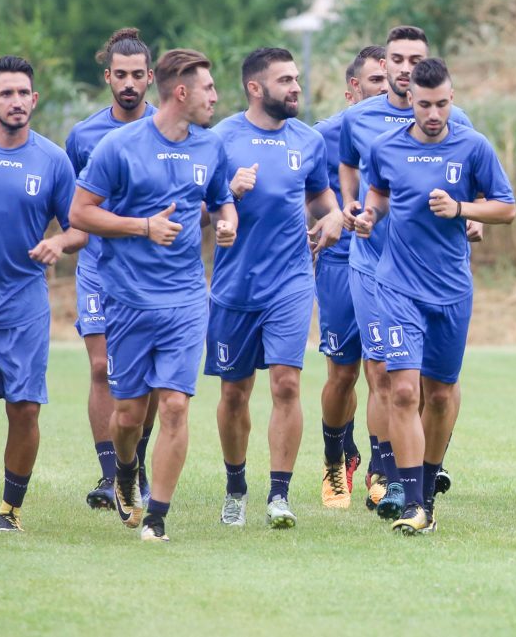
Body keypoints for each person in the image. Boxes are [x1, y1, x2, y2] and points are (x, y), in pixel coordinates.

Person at [69, 48, 237, 542]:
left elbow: (222, 201)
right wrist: (142, 226)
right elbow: (80, 213)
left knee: (176, 406)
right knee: (128, 415)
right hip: (128, 299)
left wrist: (226, 223)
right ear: (181, 92)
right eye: (208, 88)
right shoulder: (119, 146)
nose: (215, 97)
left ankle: (157, 516)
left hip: (186, 298)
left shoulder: (211, 146)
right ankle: (125, 471)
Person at [354, 58, 516, 534]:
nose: (433, 114)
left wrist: (462, 208)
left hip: (450, 290)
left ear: (451, 99)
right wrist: (368, 216)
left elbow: (506, 208)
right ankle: (412, 503)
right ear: (410, 100)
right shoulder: (386, 147)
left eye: (442, 104)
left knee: (441, 395)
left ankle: (425, 491)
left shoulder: (473, 147)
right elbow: (379, 195)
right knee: (404, 390)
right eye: (425, 105)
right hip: (397, 286)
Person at [338, 25, 475, 519]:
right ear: (386, 62)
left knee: (434, 386)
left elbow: (483, 192)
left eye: (415, 60)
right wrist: (352, 207)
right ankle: (389, 476)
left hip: (437, 274)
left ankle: (422, 469)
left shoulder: (459, 125)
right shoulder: (359, 120)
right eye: (397, 59)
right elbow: (350, 168)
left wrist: (471, 217)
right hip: (375, 266)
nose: (404, 67)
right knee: (386, 374)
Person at [0, 56, 84, 532]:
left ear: (35, 99)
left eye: (24, 93)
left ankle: (10, 511)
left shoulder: (53, 160)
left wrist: (59, 243)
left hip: (24, 306)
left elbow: (80, 227)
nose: (16, 101)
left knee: (24, 409)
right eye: (6, 93)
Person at [208, 47, 343, 527]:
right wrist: (229, 193)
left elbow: (322, 198)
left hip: (291, 281)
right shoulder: (219, 139)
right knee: (234, 394)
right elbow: (194, 210)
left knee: (287, 383)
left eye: (296, 78)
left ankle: (279, 496)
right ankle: (236, 488)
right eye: (285, 80)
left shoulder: (308, 140)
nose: (296, 88)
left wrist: (334, 218)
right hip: (234, 286)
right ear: (255, 87)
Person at [65, 28, 159, 511]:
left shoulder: (168, 130)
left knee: (149, 375)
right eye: (120, 74)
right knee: (102, 367)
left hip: (152, 274)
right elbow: (72, 208)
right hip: (99, 268)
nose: (128, 83)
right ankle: (111, 475)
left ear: (150, 77)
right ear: (107, 77)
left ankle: (133, 465)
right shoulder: (83, 136)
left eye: (137, 75)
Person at [313, 45, 387, 508]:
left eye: (389, 79)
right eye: (375, 80)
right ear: (352, 90)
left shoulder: (409, 132)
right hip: (340, 263)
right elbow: (304, 196)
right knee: (343, 373)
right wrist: (332, 215)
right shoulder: (324, 136)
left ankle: (383, 471)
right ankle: (335, 460)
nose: (385, 87)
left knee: (387, 372)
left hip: (388, 266)